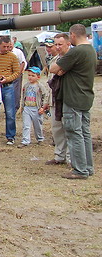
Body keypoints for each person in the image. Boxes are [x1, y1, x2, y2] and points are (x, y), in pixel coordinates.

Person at [50, 24, 96, 179]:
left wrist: (62, 69)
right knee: (84, 134)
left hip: (73, 98)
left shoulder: (77, 51)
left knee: (74, 133)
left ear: (73, 35)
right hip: (85, 97)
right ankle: (87, 167)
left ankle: (80, 170)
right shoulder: (90, 50)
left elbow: (53, 68)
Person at [46, 34, 69, 165]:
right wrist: (46, 102)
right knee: (57, 128)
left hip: (66, 98)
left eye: (60, 44)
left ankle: (70, 157)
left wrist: (57, 69)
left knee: (69, 128)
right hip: (54, 98)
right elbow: (52, 73)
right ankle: (59, 156)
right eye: (56, 44)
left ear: (68, 44)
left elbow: (59, 71)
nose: (58, 47)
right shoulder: (55, 59)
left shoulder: (71, 57)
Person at [18, 67, 49, 147]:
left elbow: (45, 96)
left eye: (33, 75)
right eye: (29, 75)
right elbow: (23, 96)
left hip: (36, 108)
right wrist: (22, 107)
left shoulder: (40, 86)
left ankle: (40, 138)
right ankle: (25, 140)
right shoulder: (26, 86)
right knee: (26, 125)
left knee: (37, 125)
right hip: (27, 107)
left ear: (38, 77)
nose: (30, 77)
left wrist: (43, 107)